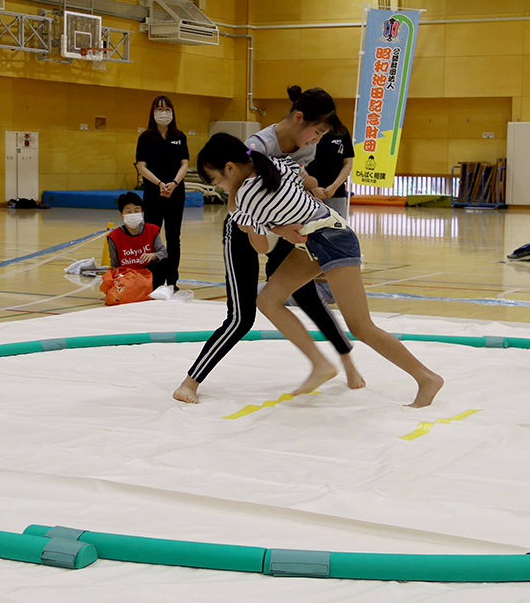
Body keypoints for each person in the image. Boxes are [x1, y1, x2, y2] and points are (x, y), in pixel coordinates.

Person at [197, 133, 444, 407]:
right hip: (316, 239)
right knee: (268, 300)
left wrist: (244, 212)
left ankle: (426, 377)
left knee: (361, 327)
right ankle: (319, 363)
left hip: (332, 240)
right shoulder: (275, 165)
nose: (217, 187)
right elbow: (310, 182)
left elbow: (262, 248)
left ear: (230, 168)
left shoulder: (246, 196)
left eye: (216, 180)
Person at [172, 86, 364, 404]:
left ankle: (341, 361)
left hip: (285, 228)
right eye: (315, 132)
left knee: (304, 292)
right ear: (298, 119)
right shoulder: (257, 146)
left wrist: (312, 197)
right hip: (247, 227)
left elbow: (297, 184)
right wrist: (275, 228)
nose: (315, 140)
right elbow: (237, 200)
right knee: (242, 316)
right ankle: (190, 382)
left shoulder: (306, 149)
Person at [136, 96, 188, 290]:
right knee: (152, 236)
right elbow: (142, 166)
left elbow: (184, 163)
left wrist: (174, 183)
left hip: (175, 193)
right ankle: (155, 279)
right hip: (153, 193)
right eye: (159, 109)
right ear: (153, 112)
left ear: (172, 112)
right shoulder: (145, 138)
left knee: (174, 238)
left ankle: (173, 280)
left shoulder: (179, 136)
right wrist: (159, 183)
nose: (163, 112)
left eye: (167, 109)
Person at [107, 191, 168, 289]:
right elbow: (114, 265)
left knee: (163, 263)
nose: (133, 214)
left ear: (142, 213)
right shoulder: (114, 236)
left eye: (136, 211)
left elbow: (164, 252)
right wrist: (111, 288)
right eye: (128, 212)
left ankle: (155, 289)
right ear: (122, 215)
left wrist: (153, 255)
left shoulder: (152, 230)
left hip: (148, 274)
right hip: (127, 277)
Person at [307, 124, 355, 218]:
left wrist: (334, 187)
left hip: (336, 193)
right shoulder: (306, 128)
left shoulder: (341, 130)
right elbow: (298, 163)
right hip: (308, 193)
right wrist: (312, 189)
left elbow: (348, 163)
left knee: (338, 229)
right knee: (307, 230)